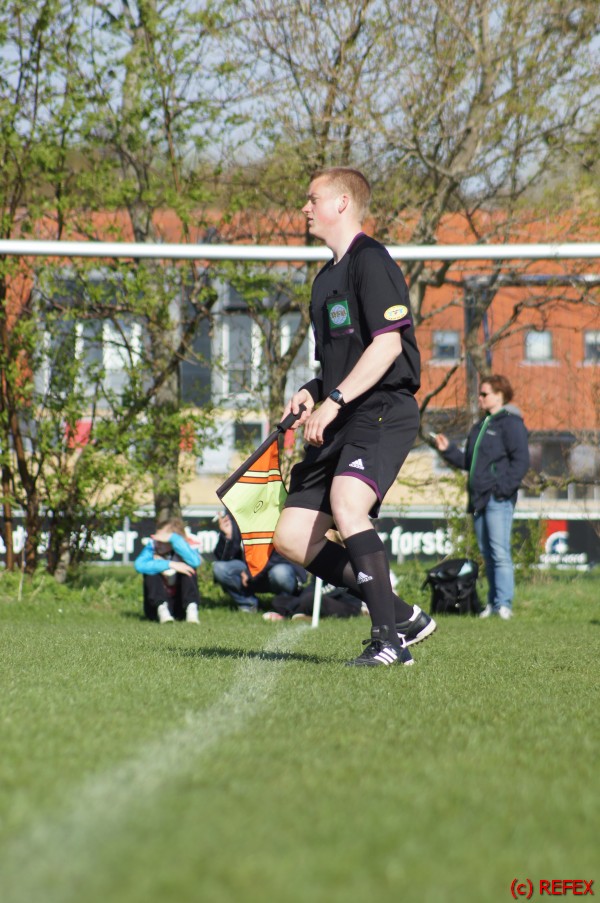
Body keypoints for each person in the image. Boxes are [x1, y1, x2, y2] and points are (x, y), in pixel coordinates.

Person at [273, 166, 436, 667]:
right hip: (341, 411)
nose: (304, 207)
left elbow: (387, 347)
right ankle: (403, 615)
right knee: (292, 537)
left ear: (342, 203)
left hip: (381, 407)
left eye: (313, 198)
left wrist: (336, 399)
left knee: (348, 503)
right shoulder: (325, 279)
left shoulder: (372, 260)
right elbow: (338, 365)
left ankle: (389, 642)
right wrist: (312, 392)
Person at [432, 374, 530, 620]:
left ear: (500, 395)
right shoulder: (480, 426)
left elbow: (521, 461)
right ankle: (493, 604)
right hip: (478, 499)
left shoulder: (511, 424)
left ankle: (504, 604)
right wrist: (447, 450)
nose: (480, 398)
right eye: (480, 393)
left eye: (485, 394)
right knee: (487, 554)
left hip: (498, 499)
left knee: (499, 552)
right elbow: (469, 462)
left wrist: (502, 490)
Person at [212, 510, 307, 613]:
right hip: (249, 573)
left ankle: (286, 605)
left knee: (280, 572)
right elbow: (222, 558)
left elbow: (279, 556)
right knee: (219, 568)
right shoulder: (238, 514)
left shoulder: (276, 512)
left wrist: (252, 571)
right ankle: (249, 604)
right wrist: (227, 537)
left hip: (275, 570)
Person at [134, 518, 202, 624]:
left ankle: (191, 609)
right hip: (155, 608)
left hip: (180, 606)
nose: (158, 544)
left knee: (189, 568)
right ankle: (162, 610)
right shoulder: (152, 547)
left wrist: (174, 539)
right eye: (157, 540)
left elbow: (195, 562)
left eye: (162, 541)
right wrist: (170, 564)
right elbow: (139, 565)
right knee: (151, 571)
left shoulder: (183, 547)